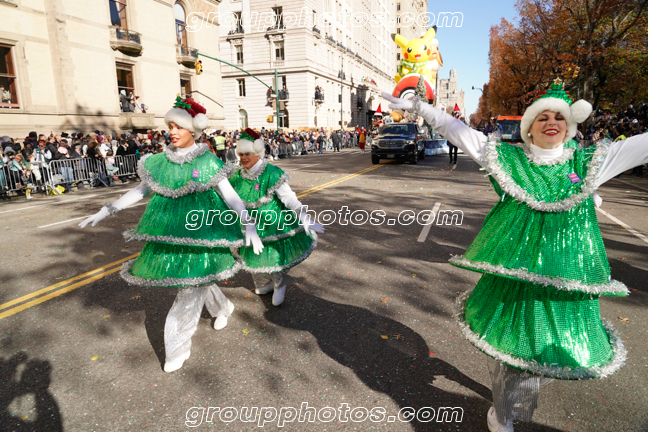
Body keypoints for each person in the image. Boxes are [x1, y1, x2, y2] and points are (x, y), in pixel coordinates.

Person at [384, 78, 648, 432]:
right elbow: (460, 132)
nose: (551, 122)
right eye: (543, 117)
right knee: (509, 351)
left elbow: (642, 146)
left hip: (565, 283)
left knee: (554, 356)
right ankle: (503, 411)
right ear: (529, 128)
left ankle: (508, 399)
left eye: (559, 117)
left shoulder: (589, 163)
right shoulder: (509, 160)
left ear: (570, 126)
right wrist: (420, 107)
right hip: (516, 278)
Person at [80, 97, 264, 373]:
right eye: (170, 126)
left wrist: (249, 225)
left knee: (189, 289)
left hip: (203, 233)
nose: (173, 132)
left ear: (194, 129)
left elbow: (230, 195)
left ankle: (177, 347)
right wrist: (107, 210)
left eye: (179, 126)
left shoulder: (208, 160)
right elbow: (140, 191)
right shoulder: (159, 161)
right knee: (195, 279)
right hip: (170, 232)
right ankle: (222, 307)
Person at [229, 128, 324, 306]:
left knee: (273, 255)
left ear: (258, 152)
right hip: (249, 223)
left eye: (247, 153)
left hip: (273, 223)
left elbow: (288, 197)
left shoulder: (272, 172)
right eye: (241, 154)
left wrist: (303, 216)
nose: (243, 158)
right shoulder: (237, 176)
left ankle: (280, 283)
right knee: (253, 254)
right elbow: (231, 202)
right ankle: (263, 283)